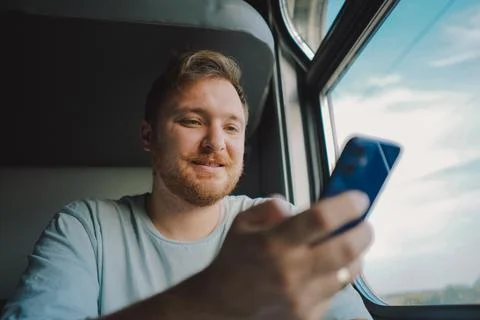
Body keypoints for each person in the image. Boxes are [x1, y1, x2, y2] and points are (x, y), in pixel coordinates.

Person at [1, 50, 374, 320]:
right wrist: (215, 300)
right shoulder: (85, 228)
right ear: (149, 135)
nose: (216, 143)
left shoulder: (278, 223)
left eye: (231, 127)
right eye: (193, 121)